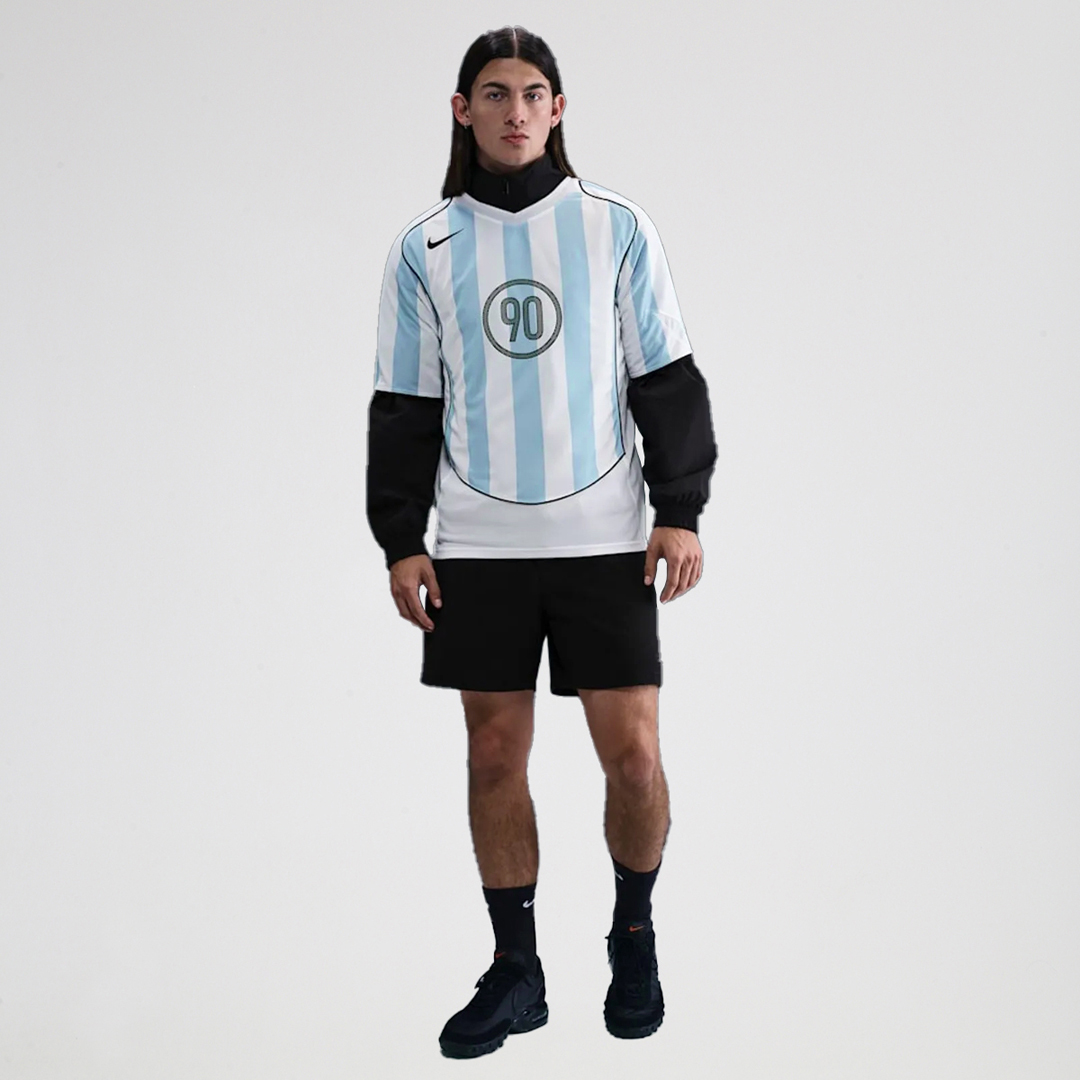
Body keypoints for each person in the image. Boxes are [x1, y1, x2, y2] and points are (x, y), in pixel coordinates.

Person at [366, 24, 717, 1059]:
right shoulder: (425, 249)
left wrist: (680, 506)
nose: (514, 111)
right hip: (477, 546)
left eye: (531, 93)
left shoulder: (614, 228)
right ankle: (516, 970)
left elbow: (667, 376)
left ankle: (634, 934)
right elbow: (404, 404)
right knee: (491, 755)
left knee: (635, 759)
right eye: (494, 93)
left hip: (605, 540)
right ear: (462, 110)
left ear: (557, 110)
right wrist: (401, 537)